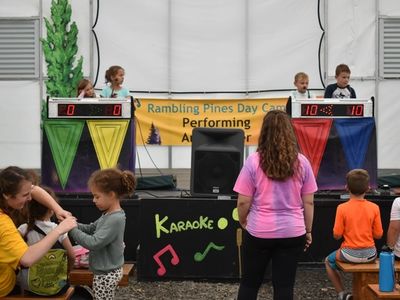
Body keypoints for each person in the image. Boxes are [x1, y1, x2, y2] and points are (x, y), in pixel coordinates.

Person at [234, 110, 317, 300]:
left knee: (249, 284)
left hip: (259, 231)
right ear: (290, 132)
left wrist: (243, 220)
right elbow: (309, 201)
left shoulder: (253, 161)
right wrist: (308, 230)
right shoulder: (302, 162)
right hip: (293, 232)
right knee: (284, 286)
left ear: (264, 132)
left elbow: (243, 201)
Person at [0, 166, 77, 297]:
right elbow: (27, 258)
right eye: (25, 195)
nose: (30, 198)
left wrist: (58, 210)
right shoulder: (3, 224)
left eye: (29, 193)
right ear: (7, 195)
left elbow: (33, 189)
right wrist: (59, 230)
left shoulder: (5, 188)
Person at [68, 168, 136, 300]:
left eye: (97, 196)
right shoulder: (108, 214)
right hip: (104, 271)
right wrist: (73, 223)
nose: (94, 200)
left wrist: (71, 229)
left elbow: (94, 243)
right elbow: (90, 228)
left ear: (111, 195)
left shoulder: (115, 218)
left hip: (106, 274)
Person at [325, 169, 383, 300]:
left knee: (328, 261)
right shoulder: (374, 208)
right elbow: (378, 235)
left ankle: (342, 294)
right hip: (371, 255)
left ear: (346, 188)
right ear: (368, 188)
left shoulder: (342, 208)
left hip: (349, 254)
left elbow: (337, 235)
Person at [17, 185, 76, 291]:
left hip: (28, 286)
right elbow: (72, 256)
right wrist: (66, 273)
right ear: (51, 210)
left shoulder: (23, 229)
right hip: (56, 286)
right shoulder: (58, 229)